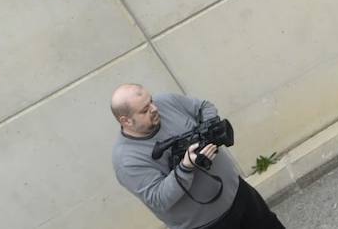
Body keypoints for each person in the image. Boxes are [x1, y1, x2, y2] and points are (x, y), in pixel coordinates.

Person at [110, 84, 286, 229]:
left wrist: (207, 130)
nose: (155, 109)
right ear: (125, 120)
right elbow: (159, 199)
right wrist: (186, 167)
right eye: (145, 110)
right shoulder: (127, 160)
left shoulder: (167, 102)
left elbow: (204, 107)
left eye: (151, 101)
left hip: (240, 194)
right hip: (208, 225)